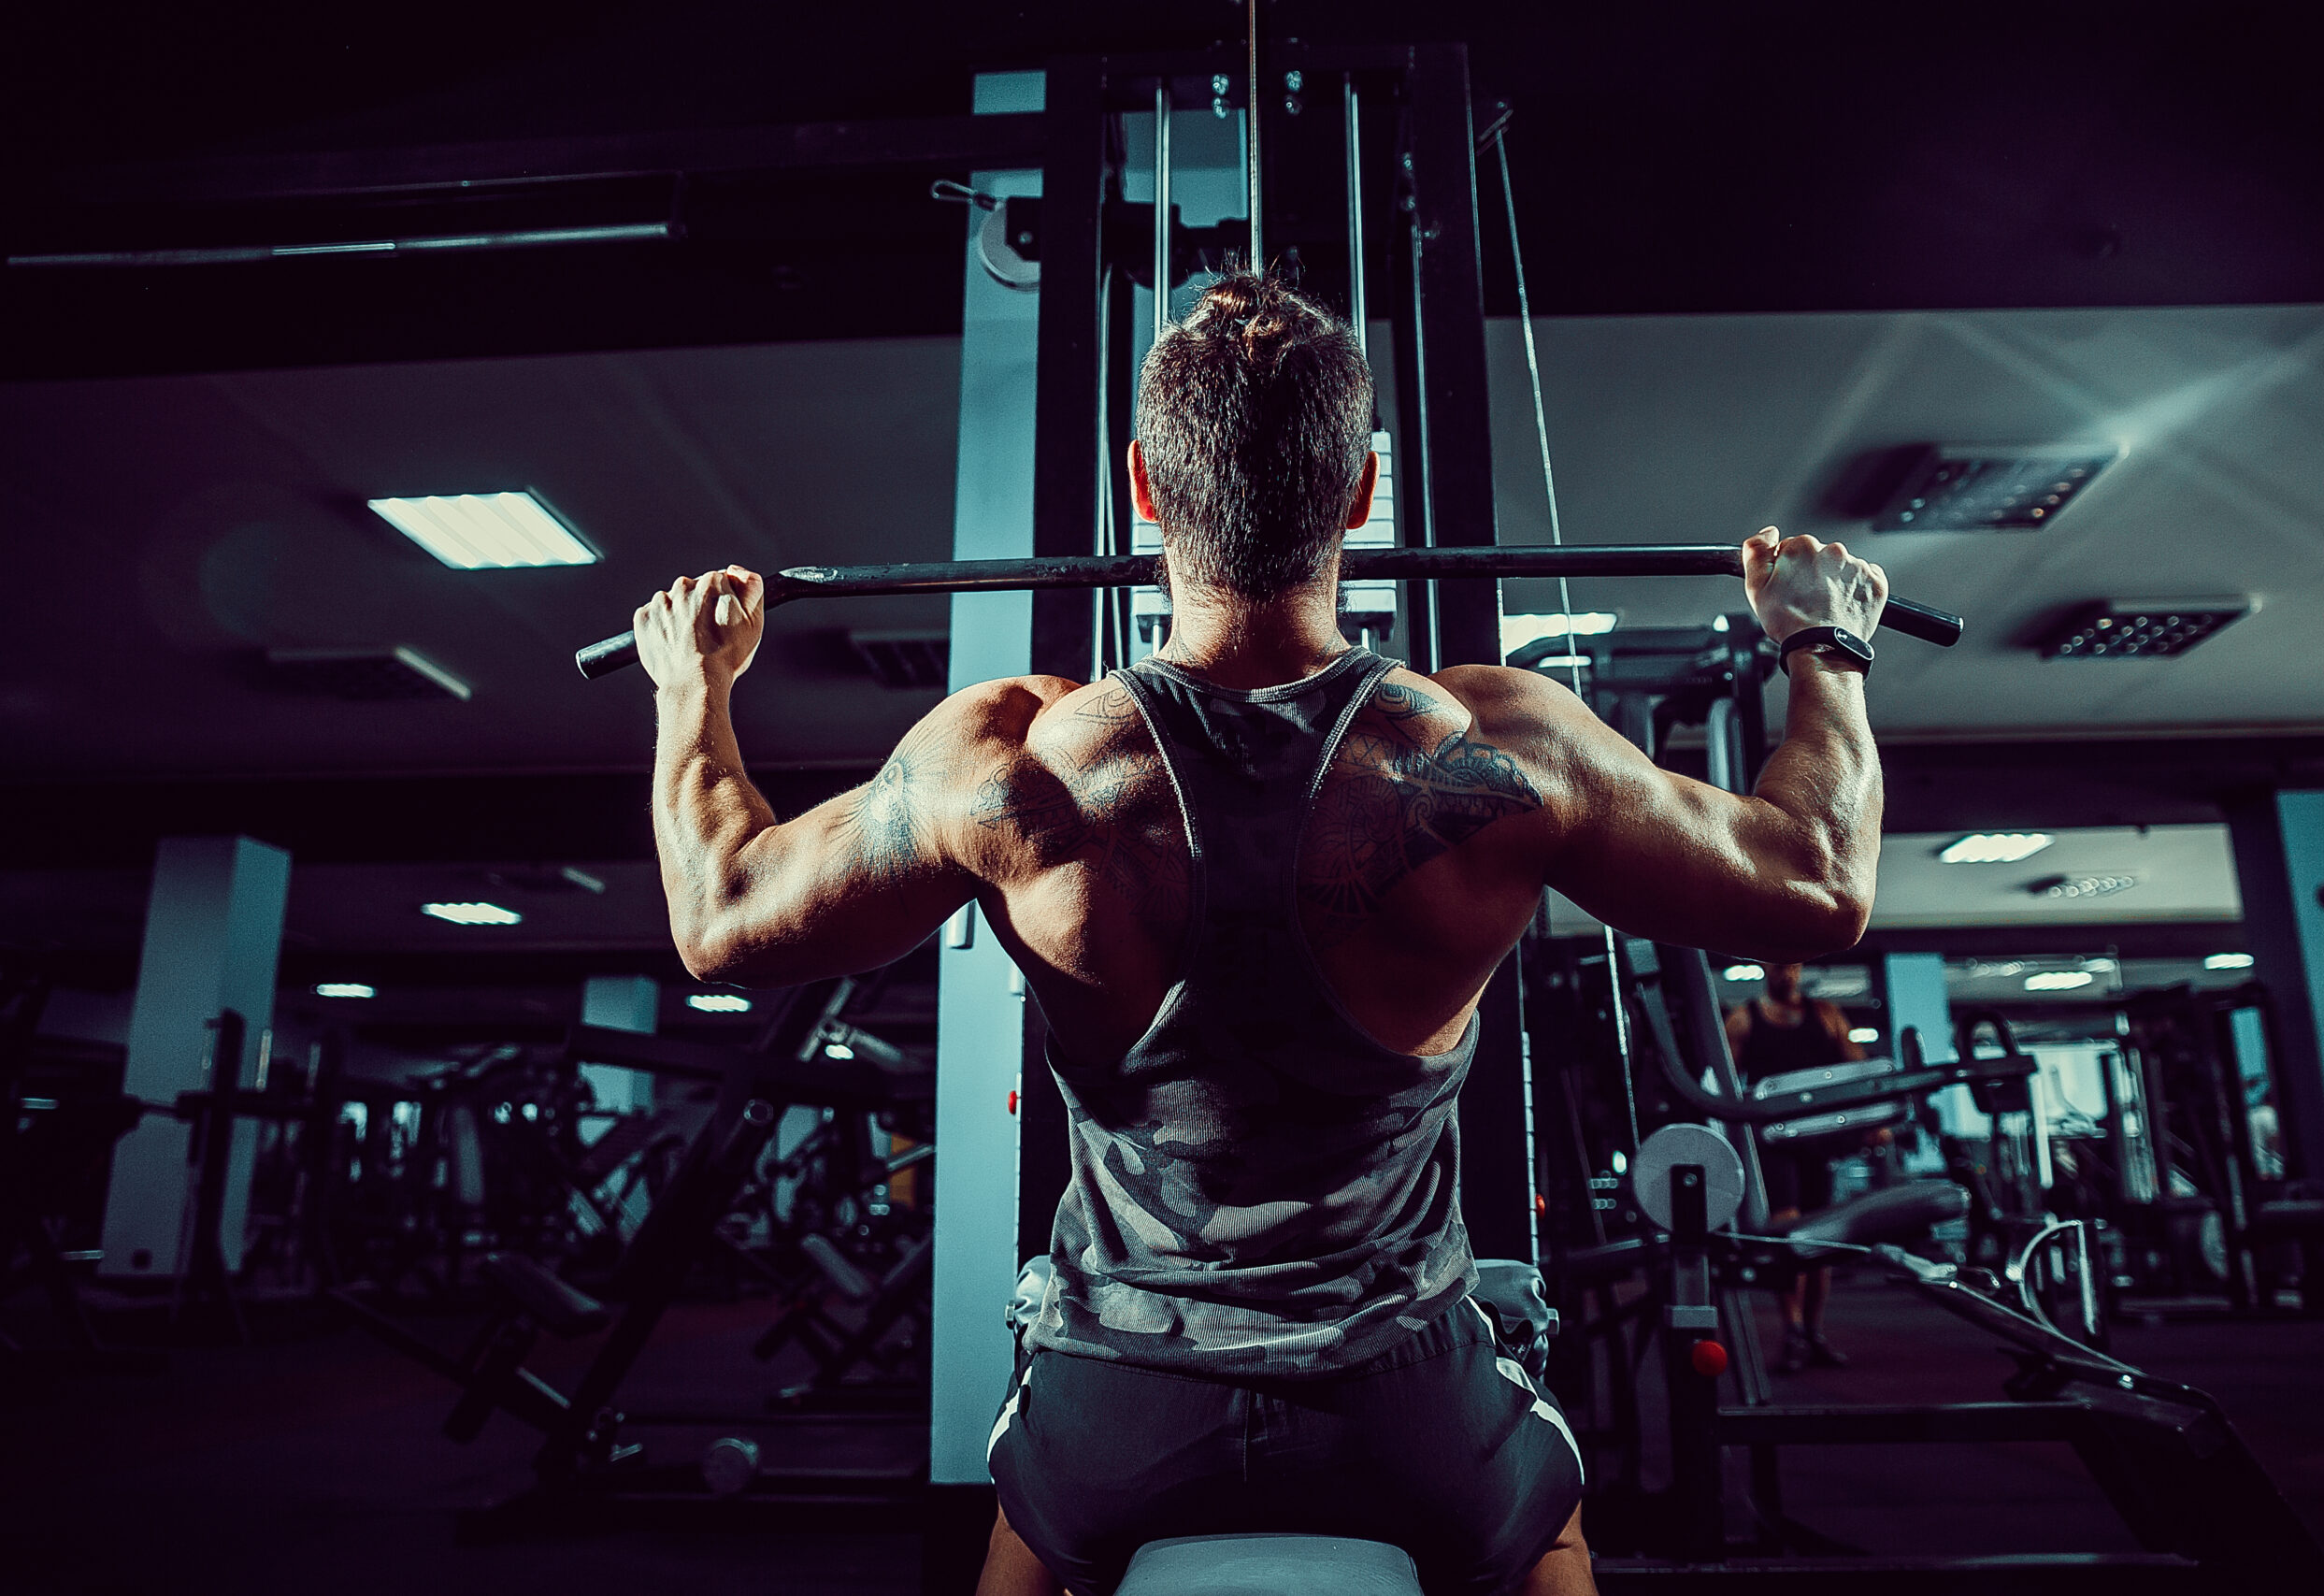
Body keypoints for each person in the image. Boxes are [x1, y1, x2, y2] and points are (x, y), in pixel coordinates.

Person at [631, 273, 1887, 1596]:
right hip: (1406, 1408)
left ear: (1143, 487)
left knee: (1026, 1531)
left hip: (1121, 1403)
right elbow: (1817, 879)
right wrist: (1824, 644)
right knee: (1547, 1531)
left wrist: (690, 690)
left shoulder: (1016, 768)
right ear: (1363, 492)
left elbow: (721, 915)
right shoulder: (1494, 750)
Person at [1725, 961, 1867, 1372]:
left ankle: (1813, 1332)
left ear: (1800, 968)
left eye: (1791, 965)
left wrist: (1873, 1120)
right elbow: (1724, 1082)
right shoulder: (1744, 1018)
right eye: (1777, 965)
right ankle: (1793, 1330)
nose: (1785, 973)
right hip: (1772, 1143)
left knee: (1821, 1238)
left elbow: (1855, 1068)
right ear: (1765, 969)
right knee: (1788, 1231)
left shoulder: (1826, 1015)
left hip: (1820, 1140)